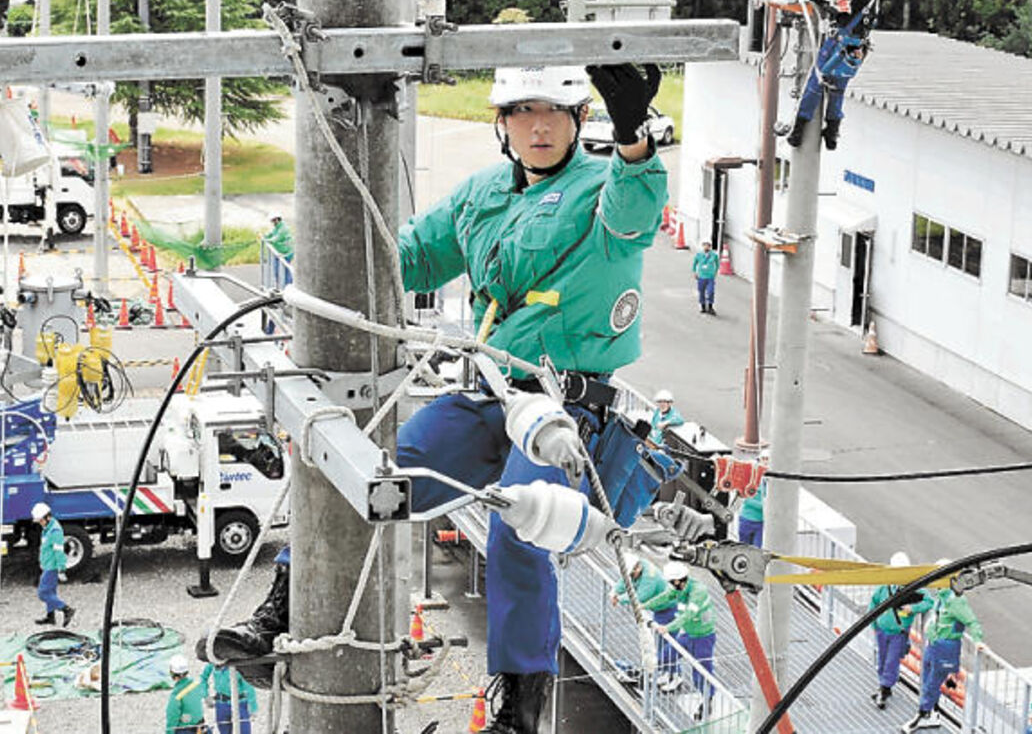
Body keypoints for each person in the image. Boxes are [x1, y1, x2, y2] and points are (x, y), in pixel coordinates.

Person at [199, 62, 669, 734]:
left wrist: (634, 137)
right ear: (500, 124)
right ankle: (278, 613)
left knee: (518, 533)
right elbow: (408, 259)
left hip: (563, 410)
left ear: (578, 122)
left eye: (555, 112)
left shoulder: (603, 188)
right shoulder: (483, 194)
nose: (539, 126)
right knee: (366, 471)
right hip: (490, 397)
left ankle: (520, 707)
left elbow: (636, 214)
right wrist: (324, 239)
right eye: (523, 111)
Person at [787, 0, 880, 151]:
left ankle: (798, 131)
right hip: (857, 45)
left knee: (816, 82)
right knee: (837, 88)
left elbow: (838, 8)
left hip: (841, 40)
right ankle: (831, 134)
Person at [902, 566, 983, 732]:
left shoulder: (956, 601)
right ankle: (932, 713)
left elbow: (972, 621)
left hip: (945, 648)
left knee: (932, 683)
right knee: (926, 678)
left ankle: (923, 714)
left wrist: (978, 640)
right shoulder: (942, 596)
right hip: (934, 644)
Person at [644, 562, 716, 709]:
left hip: (703, 637)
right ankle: (671, 675)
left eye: (671, 582)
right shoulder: (679, 589)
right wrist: (643, 605)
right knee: (666, 655)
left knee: (701, 671)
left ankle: (707, 699)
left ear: (678, 581)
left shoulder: (698, 592)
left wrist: (667, 628)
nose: (670, 585)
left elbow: (688, 615)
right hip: (688, 633)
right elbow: (665, 596)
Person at [869, 551, 932, 710]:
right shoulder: (885, 586)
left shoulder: (914, 588)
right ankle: (884, 686)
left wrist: (913, 608)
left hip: (898, 633)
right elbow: (874, 601)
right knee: (883, 660)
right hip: (882, 630)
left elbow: (929, 601)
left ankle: (885, 688)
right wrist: (874, 624)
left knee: (891, 661)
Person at [609, 552, 675, 682]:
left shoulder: (650, 577)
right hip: (658, 609)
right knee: (661, 643)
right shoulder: (636, 568)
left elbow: (640, 597)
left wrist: (619, 599)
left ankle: (673, 675)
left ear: (637, 568)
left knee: (667, 643)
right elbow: (625, 581)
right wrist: (614, 591)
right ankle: (664, 671)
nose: (631, 576)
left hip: (668, 608)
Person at [32, 502, 75, 627]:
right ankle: (50, 617)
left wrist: (61, 569)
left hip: (52, 567)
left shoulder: (55, 531)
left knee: (43, 593)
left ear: (47, 517)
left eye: (40, 520)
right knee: (50, 592)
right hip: (47, 565)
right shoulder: (47, 529)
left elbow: (59, 552)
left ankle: (67, 609)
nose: (40, 523)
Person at [200, 661, 257, 734]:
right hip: (221, 704)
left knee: (244, 731)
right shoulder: (214, 662)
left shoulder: (238, 666)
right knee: (224, 730)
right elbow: (203, 678)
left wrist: (253, 708)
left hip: (239, 703)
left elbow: (249, 687)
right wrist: (205, 695)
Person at [165, 655, 205, 734]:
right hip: (200, 727)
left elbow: (172, 718)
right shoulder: (196, 685)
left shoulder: (176, 695)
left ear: (172, 673)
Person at [736, 471, 766, 548]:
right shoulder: (750, 481)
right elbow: (746, 499)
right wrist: (763, 506)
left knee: (757, 550)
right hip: (746, 520)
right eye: (763, 458)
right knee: (743, 549)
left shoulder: (770, 484)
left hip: (760, 523)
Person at [691, 241, 720, 314]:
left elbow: (717, 264)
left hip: (710, 277)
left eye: (707, 245)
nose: (706, 247)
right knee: (701, 292)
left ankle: (710, 306)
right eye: (704, 245)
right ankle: (703, 306)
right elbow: (694, 264)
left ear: (710, 247)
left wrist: (715, 273)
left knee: (711, 292)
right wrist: (695, 273)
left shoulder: (714, 255)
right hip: (701, 276)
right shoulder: (699, 255)